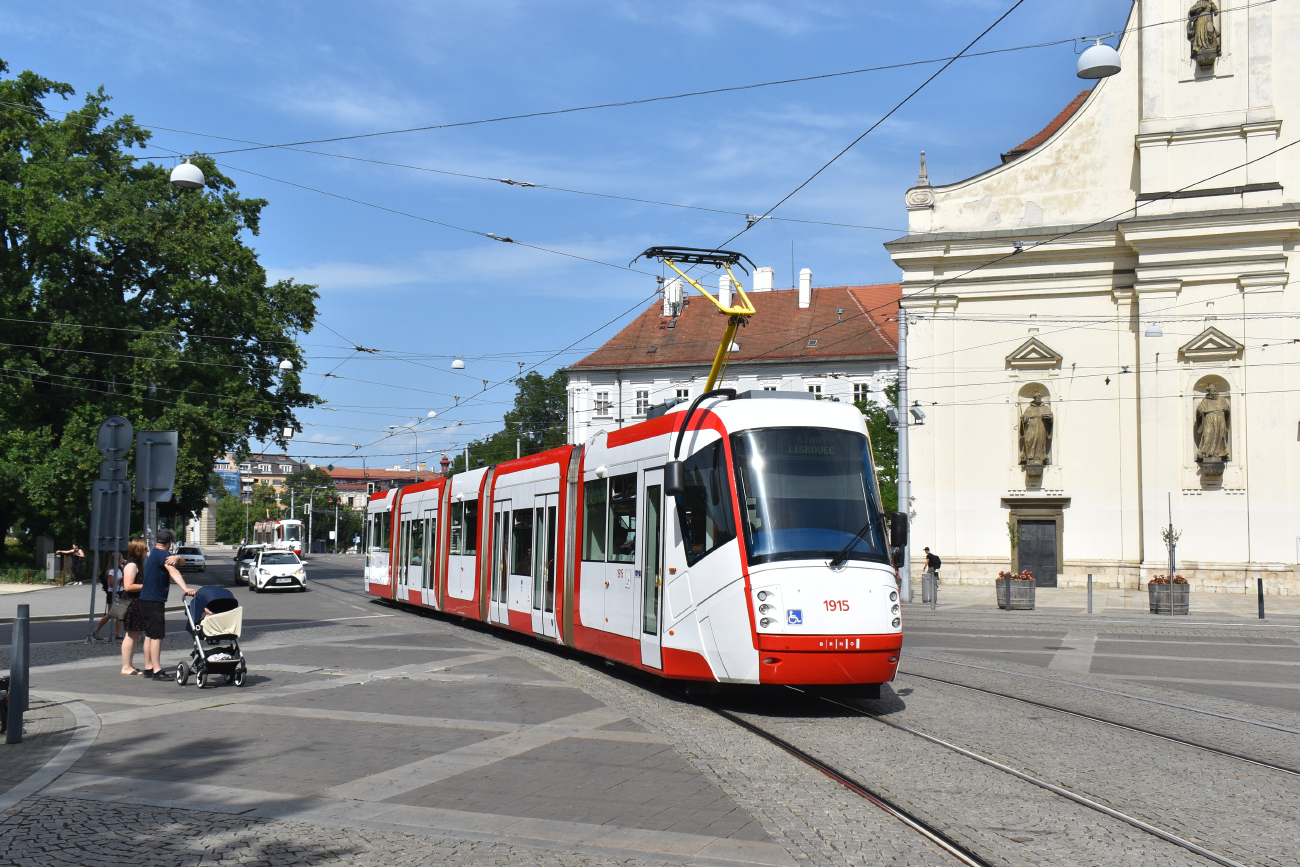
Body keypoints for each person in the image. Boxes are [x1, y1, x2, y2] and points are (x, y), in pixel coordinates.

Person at [138, 529, 196, 679]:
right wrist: (186, 589)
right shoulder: (164, 555)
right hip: (154, 600)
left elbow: (180, 563)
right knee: (157, 635)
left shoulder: (154, 554)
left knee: (150, 635)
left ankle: (148, 668)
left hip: (145, 599)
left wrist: (177, 557)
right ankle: (157, 671)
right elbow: (174, 572)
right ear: (170, 543)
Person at [119, 540, 149, 675]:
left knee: (134, 634)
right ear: (138, 550)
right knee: (131, 634)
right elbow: (128, 586)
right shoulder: (131, 565)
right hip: (132, 603)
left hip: (137, 602)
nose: (146, 552)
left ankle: (128, 665)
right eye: (145, 549)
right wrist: (148, 585)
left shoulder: (137, 564)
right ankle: (126, 666)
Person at [91, 553, 125, 642]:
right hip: (112, 593)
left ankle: (118, 633)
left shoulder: (120, 568)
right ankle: (96, 630)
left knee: (119, 614)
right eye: (121, 558)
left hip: (120, 592)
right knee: (111, 614)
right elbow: (111, 584)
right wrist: (121, 579)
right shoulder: (111, 571)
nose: (122, 560)